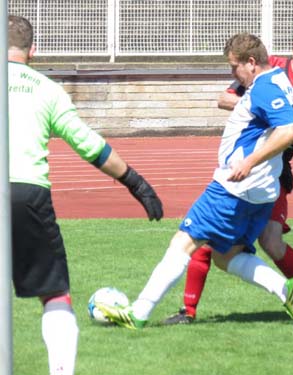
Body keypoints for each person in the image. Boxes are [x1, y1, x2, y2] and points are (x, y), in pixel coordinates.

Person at [96, 32, 293, 329]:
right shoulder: (280, 82)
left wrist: (248, 161)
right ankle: (286, 290)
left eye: (234, 67)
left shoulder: (264, 87)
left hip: (234, 188)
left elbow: (285, 132)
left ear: (251, 62)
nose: (232, 74)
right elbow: (286, 124)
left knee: (183, 242)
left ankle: (138, 314)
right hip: (261, 193)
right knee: (225, 256)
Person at [8, 15, 163, 375]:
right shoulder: (46, 89)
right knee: (55, 294)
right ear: (33, 50)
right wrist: (136, 183)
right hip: (27, 196)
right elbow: (89, 145)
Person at [162, 18, 293, 325]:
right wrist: (272, 111)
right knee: (207, 239)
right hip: (244, 167)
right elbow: (224, 98)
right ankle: (187, 312)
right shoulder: (272, 67)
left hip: (274, 173)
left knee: (272, 242)